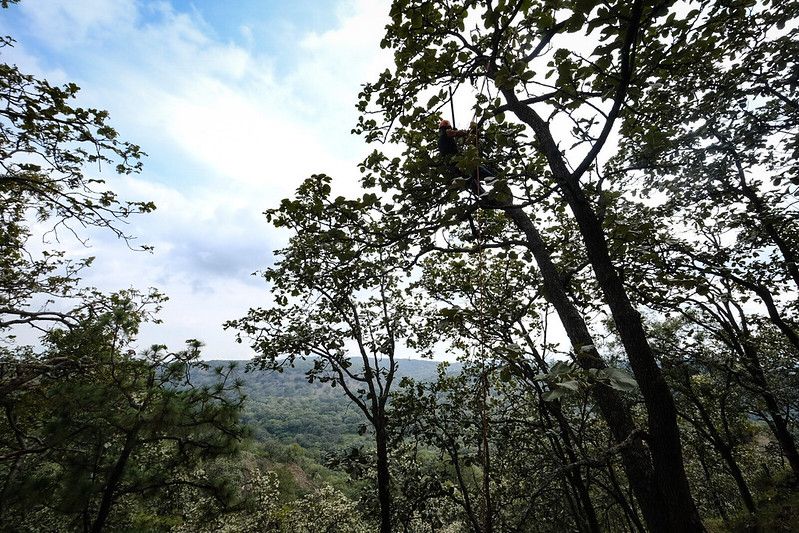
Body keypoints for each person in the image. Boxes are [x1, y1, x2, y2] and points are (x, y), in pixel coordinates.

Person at [437, 119, 496, 198]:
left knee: (469, 179)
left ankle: (482, 195)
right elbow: (456, 133)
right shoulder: (445, 135)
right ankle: (491, 180)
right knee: (476, 168)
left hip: (453, 165)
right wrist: (468, 132)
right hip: (456, 162)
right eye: (447, 128)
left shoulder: (445, 139)